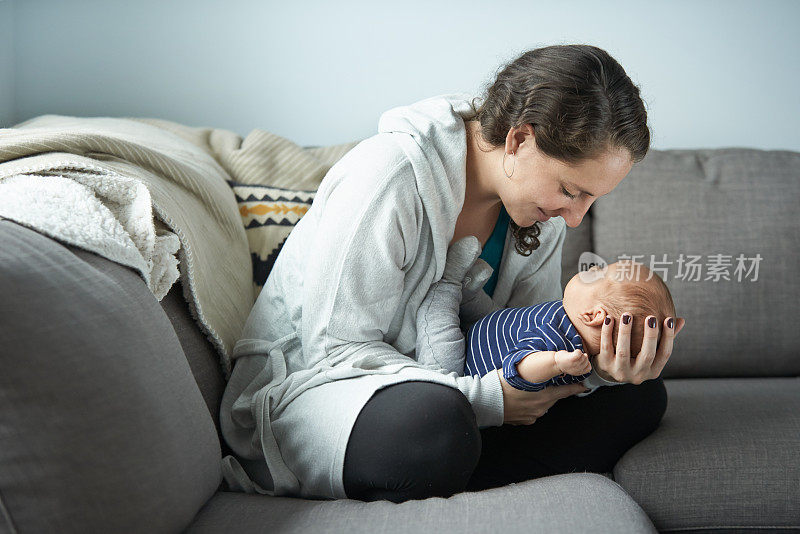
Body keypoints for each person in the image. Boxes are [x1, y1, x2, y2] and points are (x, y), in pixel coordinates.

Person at [219, 44, 686, 503]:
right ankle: (445, 456)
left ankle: (439, 467)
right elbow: (336, 348)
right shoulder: (388, 175)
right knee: (435, 425)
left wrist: (595, 367)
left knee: (638, 398)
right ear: (520, 139)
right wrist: (486, 400)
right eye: (570, 190)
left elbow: (530, 339)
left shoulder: (539, 216)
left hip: (460, 396)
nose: (575, 218)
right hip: (321, 391)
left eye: (590, 199)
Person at [417, 257, 677, 395]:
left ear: (593, 315)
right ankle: (469, 292)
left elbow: (516, 370)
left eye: (597, 274)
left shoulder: (559, 344)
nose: (595, 266)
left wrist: (555, 363)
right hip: (487, 330)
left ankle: (447, 284)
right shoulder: (565, 315)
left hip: (461, 365)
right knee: (495, 312)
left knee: (440, 324)